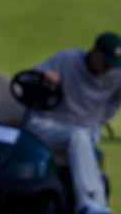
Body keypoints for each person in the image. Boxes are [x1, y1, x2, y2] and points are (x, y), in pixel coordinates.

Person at [24, 32, 121, 214]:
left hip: (84, 129)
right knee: (78, 135)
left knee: (83, 134)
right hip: (46, 125)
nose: (109, 68)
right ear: (95, 52)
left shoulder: (116, 73)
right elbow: (25, 84)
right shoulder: (65, 60)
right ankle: (91, 204)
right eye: (106, 61)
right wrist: (44, 80)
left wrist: (99, 119)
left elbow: (115, 102)